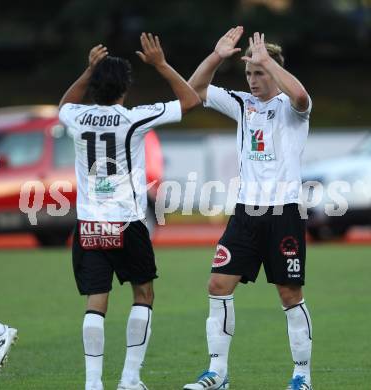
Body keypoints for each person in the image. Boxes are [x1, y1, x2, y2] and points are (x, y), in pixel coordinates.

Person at [58, 34, 200, 390]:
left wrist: (87, 70)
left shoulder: (78, 118)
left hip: (90, 223)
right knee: (143, 294)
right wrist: (161, 64)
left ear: (94, 86)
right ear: (125, 88)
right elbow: (191, 100)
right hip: (127, 222)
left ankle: (93, 384)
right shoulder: (133, 119)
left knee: (96, 300)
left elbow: (63, 104)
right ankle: (129, 379)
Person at [184, 27, 313, 390]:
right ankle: (218, 374)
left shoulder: (293, 108)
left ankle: (302, 376)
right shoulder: (242, 104)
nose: (253, 80)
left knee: (290, 295)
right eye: (249, 74)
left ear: (272, 70)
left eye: (259, 73)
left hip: (283, 212)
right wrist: (216, 56)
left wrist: (268, 60)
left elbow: (301, 94)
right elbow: (194, 90)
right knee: (218, 284)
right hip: (246, 213)